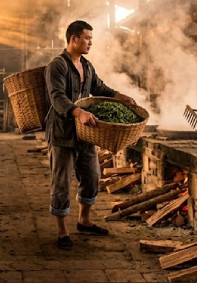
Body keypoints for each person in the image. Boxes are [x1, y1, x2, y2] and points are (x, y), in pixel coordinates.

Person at [44, 20, 137, 251]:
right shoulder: (57, 66)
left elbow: (99, 88)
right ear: (73, 39)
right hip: (63, 133)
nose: (90, 43)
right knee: (62, 182)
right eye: (87, 38)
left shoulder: (86, 65)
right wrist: (79, 112)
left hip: (85, 133)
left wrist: (120, 96)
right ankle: (63, 231)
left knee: (92, 176)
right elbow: (57, 98)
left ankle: (84, 221)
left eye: (91, 38)